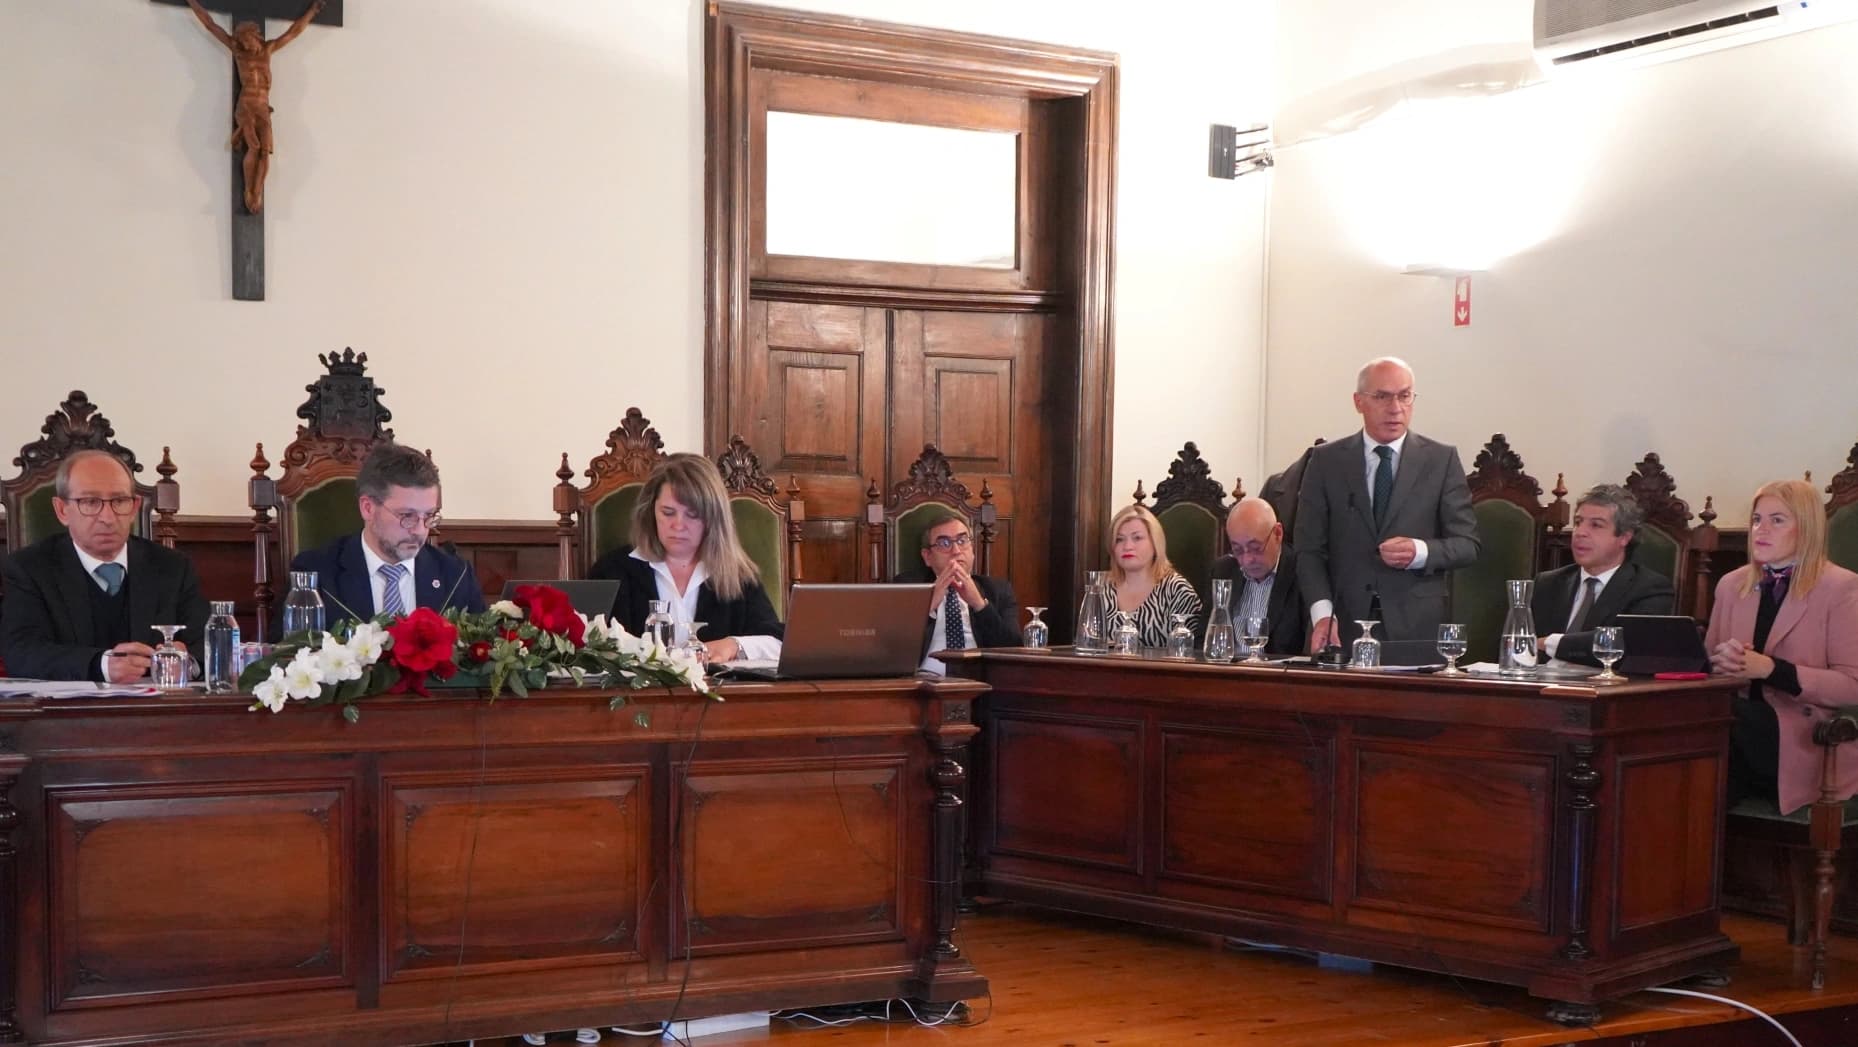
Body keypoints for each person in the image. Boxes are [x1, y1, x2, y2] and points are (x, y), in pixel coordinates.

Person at [1294, 356, 1479, 650]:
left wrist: (1420, 551)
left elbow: (1467, 544)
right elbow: (1308, 550)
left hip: (1414, 626)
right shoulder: (1326, 461)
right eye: (1382, 396)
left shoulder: (1440, 460)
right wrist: (1321, 614)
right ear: (1358, 402)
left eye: (1404, 396)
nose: (1395, 408)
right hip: (1341, 624)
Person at [1706, 479, 1858, 814]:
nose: (1762, 529)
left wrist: (1773, 670)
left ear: (1806, 528)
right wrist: (1721, 664)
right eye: (1757, 520)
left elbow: (1852, 687)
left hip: (1805, 737)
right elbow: (1707, 665)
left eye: (1778, 520)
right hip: (1736, 728)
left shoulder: (1840, 588)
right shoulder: (1732, 585)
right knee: (1695, 738)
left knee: (1716, 729)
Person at [0, 450, 210, 682]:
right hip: (67, 715)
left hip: (156, 711)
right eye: (90, 502)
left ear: (134, 507)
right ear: (62, 510)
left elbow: (207, 644)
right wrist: (102, 666)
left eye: (119, 501)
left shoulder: (173, 567)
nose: (107, 517)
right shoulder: (29, 569)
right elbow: (21, 653)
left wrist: (189, 663)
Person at [589, 454, 782, 661]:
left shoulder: (738, 577)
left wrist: (734, 645)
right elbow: (585, 647)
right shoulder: (612, 571)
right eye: (668, 512)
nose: (678, 526)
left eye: (693, 514)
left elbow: (777, 643)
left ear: (713, 519)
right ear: (651, 511)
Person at [288, 442, 486, 625]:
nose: (419, 529)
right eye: (407, 515)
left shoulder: (456, 575)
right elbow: (286, 655)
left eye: (428, 515)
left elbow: (478, 652)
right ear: (368, 508)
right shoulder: (317, 574)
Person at [182, 0, 326, 214]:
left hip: (263, 108)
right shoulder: (239, 52)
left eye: (246, 38)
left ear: (255, 35)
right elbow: (211, 25)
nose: (244, 43)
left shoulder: (268, 49)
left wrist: (312, 11)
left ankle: (257, 189)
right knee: (254, 146)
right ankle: (250, 191)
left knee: (266, 152)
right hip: (246, 106)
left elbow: (294, 32)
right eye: (240, 40)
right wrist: (192, 2)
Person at [1531, 484, 1674, 666]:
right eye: (1577, 522)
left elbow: (1626, 643)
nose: (1580, 533)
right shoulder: (1548, 583)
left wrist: (1550, 643)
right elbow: (1516, 642)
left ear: (1624, 537)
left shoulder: (1650, 588)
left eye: (1596, 525)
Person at [894, 506, 1019, 674]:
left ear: (972, 550)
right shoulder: (906, 588)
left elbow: (1014, 652)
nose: (956, 551)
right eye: (944, 543)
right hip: (924, 687)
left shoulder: (998, 590)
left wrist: (979, 605)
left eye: (962, 541)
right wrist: (927, 605)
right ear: (927, 556)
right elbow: (889, 648)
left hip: (982, 688)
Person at [1207, 497, 1303, 656]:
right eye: (1237, 550)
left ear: (1278, 534)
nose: (1247, 559)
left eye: (1256, 548)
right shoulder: (1222, 571)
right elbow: (1203, 638)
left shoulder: (1301, 572)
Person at [1106, 504, 1204, 649]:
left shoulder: (1177, 590)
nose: (1127, 546)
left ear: (1155, 543)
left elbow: (1194, 652)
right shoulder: (1102, 589)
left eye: (1137, 538)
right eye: (1119, 539)